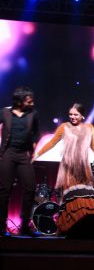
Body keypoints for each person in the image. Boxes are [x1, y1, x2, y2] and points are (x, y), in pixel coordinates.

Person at [32, 103, 94, 234]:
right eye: (70, 114)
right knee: (71, 197)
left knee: (86, 195)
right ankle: (69, 226)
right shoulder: (64, 127)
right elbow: (52, 143)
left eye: (76, 114)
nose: (73, 117)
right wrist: (37, 154)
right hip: (69, 167)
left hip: (83, 167)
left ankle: (87, 226)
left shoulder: (89, 128)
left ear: (82, 116)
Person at [0, 86, 40, 237]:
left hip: (24, 155)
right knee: (4, 191)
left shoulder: (32, 114)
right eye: (29, 101)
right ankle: (1, 227)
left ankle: (24, 226)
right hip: (8, 154)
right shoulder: (5, 112)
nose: (32, 103)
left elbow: (36, 133)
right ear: (19, 101)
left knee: (30, 188)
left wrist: (34, 150)